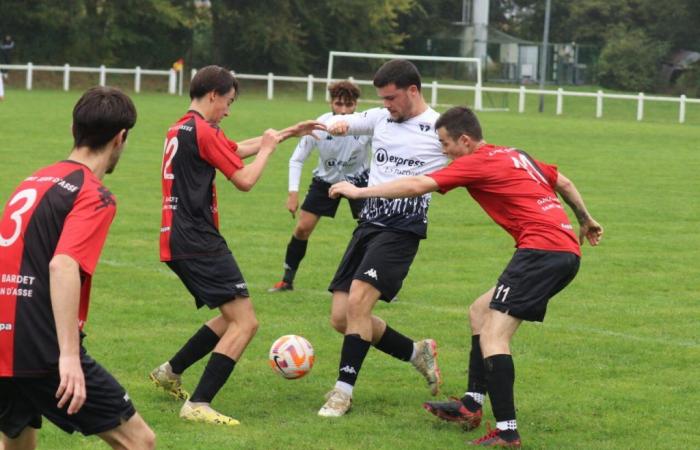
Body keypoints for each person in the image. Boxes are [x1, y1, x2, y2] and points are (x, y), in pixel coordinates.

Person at [329, 106, 604, 447]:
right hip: (561, 251)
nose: (443, 151)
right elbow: (562, 181)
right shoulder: (515, 153)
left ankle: (507, 432)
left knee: (494, 336)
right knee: (479, 311)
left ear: (465, 139)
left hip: (540, 252)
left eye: (445, 144)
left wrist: (359, 192)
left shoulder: (474, 162)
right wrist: (585, 219)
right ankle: (471, 403)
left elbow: (417, 185)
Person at [149, 65, 324, 426]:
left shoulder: (181, 126)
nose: (228, 110)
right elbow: (244, 179)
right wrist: (269, 151)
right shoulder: (204, 129)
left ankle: (170, 371)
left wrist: (288, 133)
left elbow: (233, 148)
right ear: (213, 95)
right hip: (200, 240)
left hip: (177, 237)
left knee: (230, 316)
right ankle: (199, 403)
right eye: (228, 102)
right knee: (246, 323)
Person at [0, 87, 155, 450]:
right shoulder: (92, 194)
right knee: (139, 442)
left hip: (3, 340)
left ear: (75, 129)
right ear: (121, 138)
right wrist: (67, 355)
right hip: (39, 346)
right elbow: (64, 264)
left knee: (18, 444)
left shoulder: (34, 180)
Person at [316, 59, 448, 418]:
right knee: (342, 318)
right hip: (369, 226)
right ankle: (414, 352)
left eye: (391, 98)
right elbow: (345, 123)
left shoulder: (438, 129)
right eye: (383, 99)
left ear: (413, 91)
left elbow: (474, 158)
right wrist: (335, 124)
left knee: (359, 303)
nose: (387, 104)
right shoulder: (379, 118)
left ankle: (342, 393)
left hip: (403, 229)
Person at [268, 81, 370, 292]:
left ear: (356, 104)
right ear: (331, 102)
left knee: (373, 232)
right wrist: (292, 194)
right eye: (339, 104)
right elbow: (297, 159)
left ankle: (378, 285)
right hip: (324, 182)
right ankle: (287, 280)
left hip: (359, 182)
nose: (343, 110)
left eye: (349, 105)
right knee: (303, 228)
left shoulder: (366, 125)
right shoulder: (318, 126)